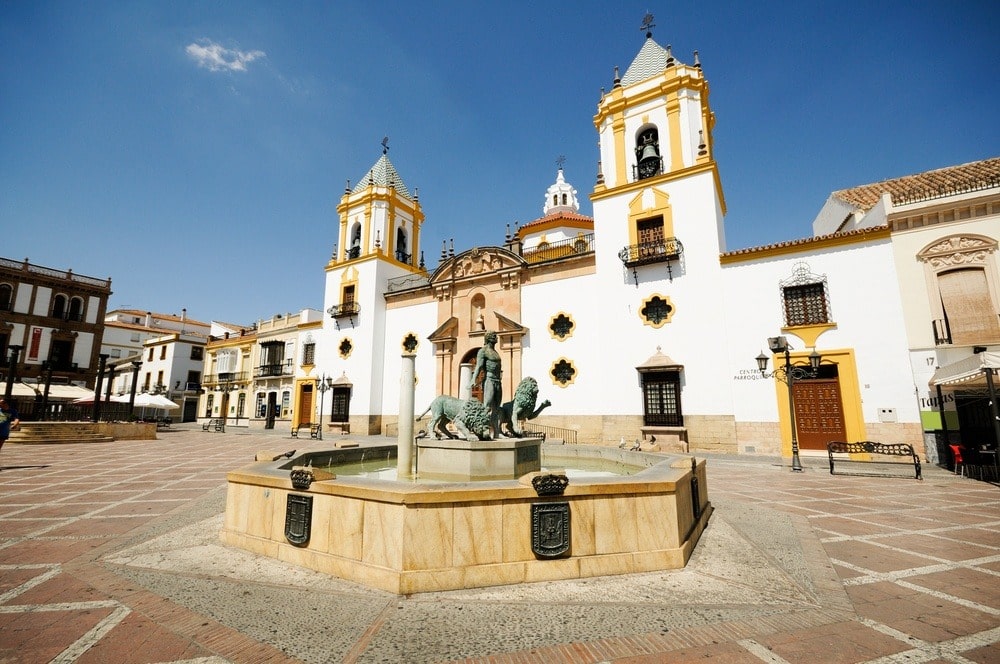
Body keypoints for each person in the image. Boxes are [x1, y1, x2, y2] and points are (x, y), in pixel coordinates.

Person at [470, 331, 502, 439]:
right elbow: (478, 366)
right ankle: (483, 430)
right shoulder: (483, 351)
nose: (496, 337)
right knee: (487, 406)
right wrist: (473, 379)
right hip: (489, 380)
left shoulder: (495, 352)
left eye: (496, 336)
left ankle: (497, 432)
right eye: (493, 336)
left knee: (496, 408)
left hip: (498, 381)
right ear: (488, 338)